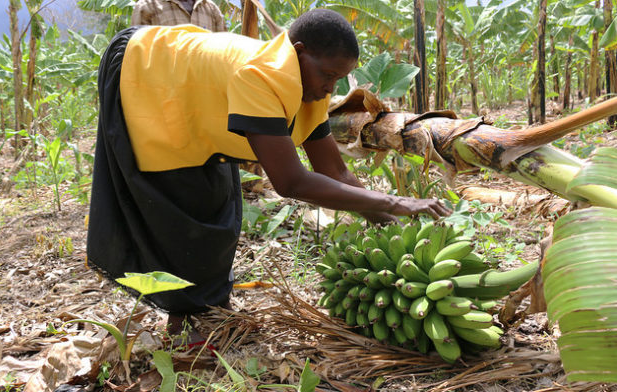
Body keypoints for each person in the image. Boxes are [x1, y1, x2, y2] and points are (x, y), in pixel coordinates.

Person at [87, 8, 451, 347]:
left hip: (196, 89)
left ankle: (208, 309)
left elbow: (333, 170)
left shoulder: (312, 82)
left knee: (218, 206)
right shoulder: (261, 76)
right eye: (327, 76)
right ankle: (186, 320)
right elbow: (291, 182)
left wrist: (389, 224)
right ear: (299, 51)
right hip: (148, 71)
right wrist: (396, 201)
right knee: (179, 206)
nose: (330, 89)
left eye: (338, 79)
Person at [131, 0, 226, 32]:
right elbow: (137, 53)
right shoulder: (147, 6)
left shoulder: (211, 9)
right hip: (165, 77)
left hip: (203, 77)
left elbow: (223, 50)